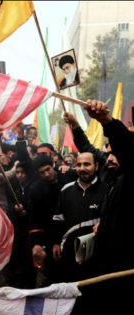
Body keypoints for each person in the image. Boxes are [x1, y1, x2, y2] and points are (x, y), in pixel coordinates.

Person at [74, 99, 134, 314]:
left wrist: (107, 121)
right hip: (107, 265)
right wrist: (105, 225)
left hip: (124, 271)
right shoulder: (116, 180)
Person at [51, 152, 107, 282]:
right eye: (79, 164)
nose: (82, 168)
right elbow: (58, 219)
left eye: (87, 164)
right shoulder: (66, 190)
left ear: (96, 166)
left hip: (96, 255)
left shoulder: (107, 190)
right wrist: (55, 243)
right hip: (69, 254)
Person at [26, 155, 76, 287]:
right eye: (42, 172)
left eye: (48, 169)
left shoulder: (70, 178)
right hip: (49, 236)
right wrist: (36, 244)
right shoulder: (35, 190)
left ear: (53, 165)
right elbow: (35, 218)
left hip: (73, 232)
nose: (47, 174)